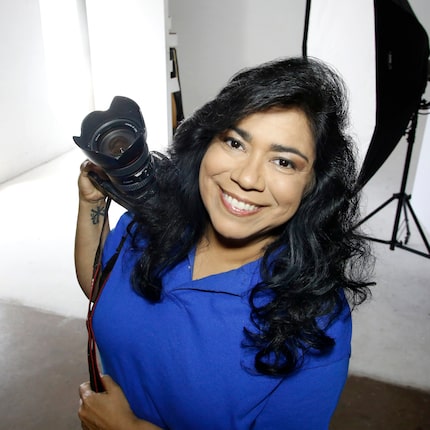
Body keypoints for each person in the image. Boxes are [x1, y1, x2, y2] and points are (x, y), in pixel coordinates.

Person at [75, 56, 374, 430]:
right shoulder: (151, 219)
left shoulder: (316, 318)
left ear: (314, 184)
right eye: (235, 142)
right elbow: (99, 286)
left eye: (283, 162)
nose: (247, 177)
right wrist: (91, 206)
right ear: (205, 141)